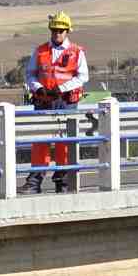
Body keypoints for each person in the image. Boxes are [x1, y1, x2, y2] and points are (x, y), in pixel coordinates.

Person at [22, 11, 88, 194]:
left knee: (64, 143)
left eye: (60, 30)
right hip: (43, 101)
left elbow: (83, 77)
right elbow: (30, 74)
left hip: (66, 102)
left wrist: (62, 88)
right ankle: (34, 181)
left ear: (67, 31)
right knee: (40, 142)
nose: (57, 33)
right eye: (54, 30)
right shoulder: (41, 50)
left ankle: (63, 181)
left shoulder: (77, 52)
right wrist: (38, 88)